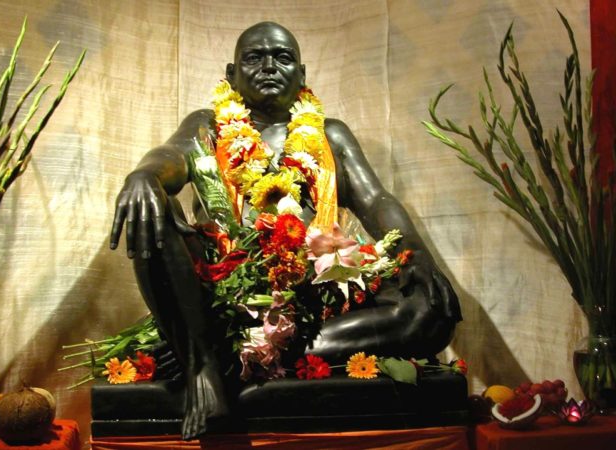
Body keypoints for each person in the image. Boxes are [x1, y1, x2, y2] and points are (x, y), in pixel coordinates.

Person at [109, 21, 462, 440]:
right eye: (254, 58)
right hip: (226, 293)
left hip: (318, 294)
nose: (269, 66)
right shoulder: (209, 125)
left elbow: (375, 200)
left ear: (302, 73)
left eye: (282, 57)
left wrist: (415, 254)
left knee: (430, 307)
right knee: (153, 206)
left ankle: (241, 355)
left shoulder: (329, 134)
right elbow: (171, 155)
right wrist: (145, 174)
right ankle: (203, 364)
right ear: (231, 74)